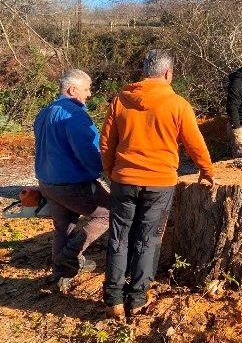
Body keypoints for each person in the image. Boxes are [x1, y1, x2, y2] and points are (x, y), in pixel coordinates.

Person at [100, 49, 216, 319]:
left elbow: (106, 141)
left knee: (119, 238)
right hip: (159, 183)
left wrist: (109, 170)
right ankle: (138, 297)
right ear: (168, 73)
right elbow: (194, 143)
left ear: (145, 72)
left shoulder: (120, 100)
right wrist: (206, 171)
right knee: (148, 238)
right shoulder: (177, 104)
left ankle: (113, 299)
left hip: (123, 181)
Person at [34, 69, 110, 293]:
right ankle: (67, 258)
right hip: (72, 183)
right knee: (108, 213)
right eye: (86, 89)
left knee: (63, 228)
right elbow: (87, 152)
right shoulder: (74, 115)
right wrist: (105, 171)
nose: (89, 94)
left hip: (48, 181)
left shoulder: (45, 112)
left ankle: (60, 276)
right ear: (72, 89)